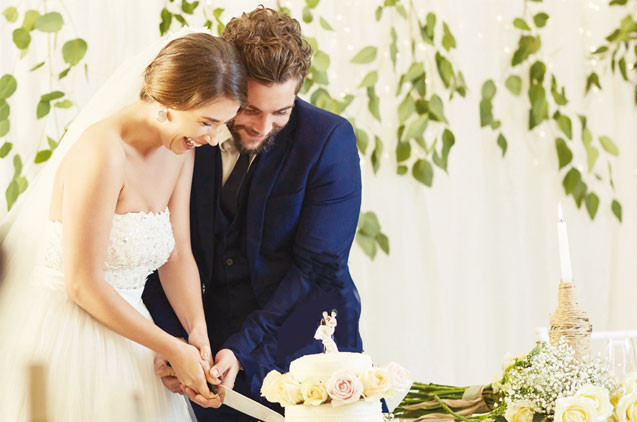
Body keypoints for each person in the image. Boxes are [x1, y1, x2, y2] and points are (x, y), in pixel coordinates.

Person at [0, 31, 247, 421]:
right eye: (208, 122)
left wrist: (196, 333)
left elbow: (178, 253)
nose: (214, 139)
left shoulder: (180, 149)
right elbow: (81, 283)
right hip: (69, 336)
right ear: (168, 102)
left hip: (131, 331)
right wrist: (172, 347)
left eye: (222, 125)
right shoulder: (102, 153)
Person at [143, 6, 364, 420]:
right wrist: (172, 341)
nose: (263, 128)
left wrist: (242, 349)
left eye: (281, 112)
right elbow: (158, 245)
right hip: (206, 363)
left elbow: (318, 267)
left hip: (304, 354)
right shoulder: (186, 134)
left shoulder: (328, 140)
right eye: (249, 109)